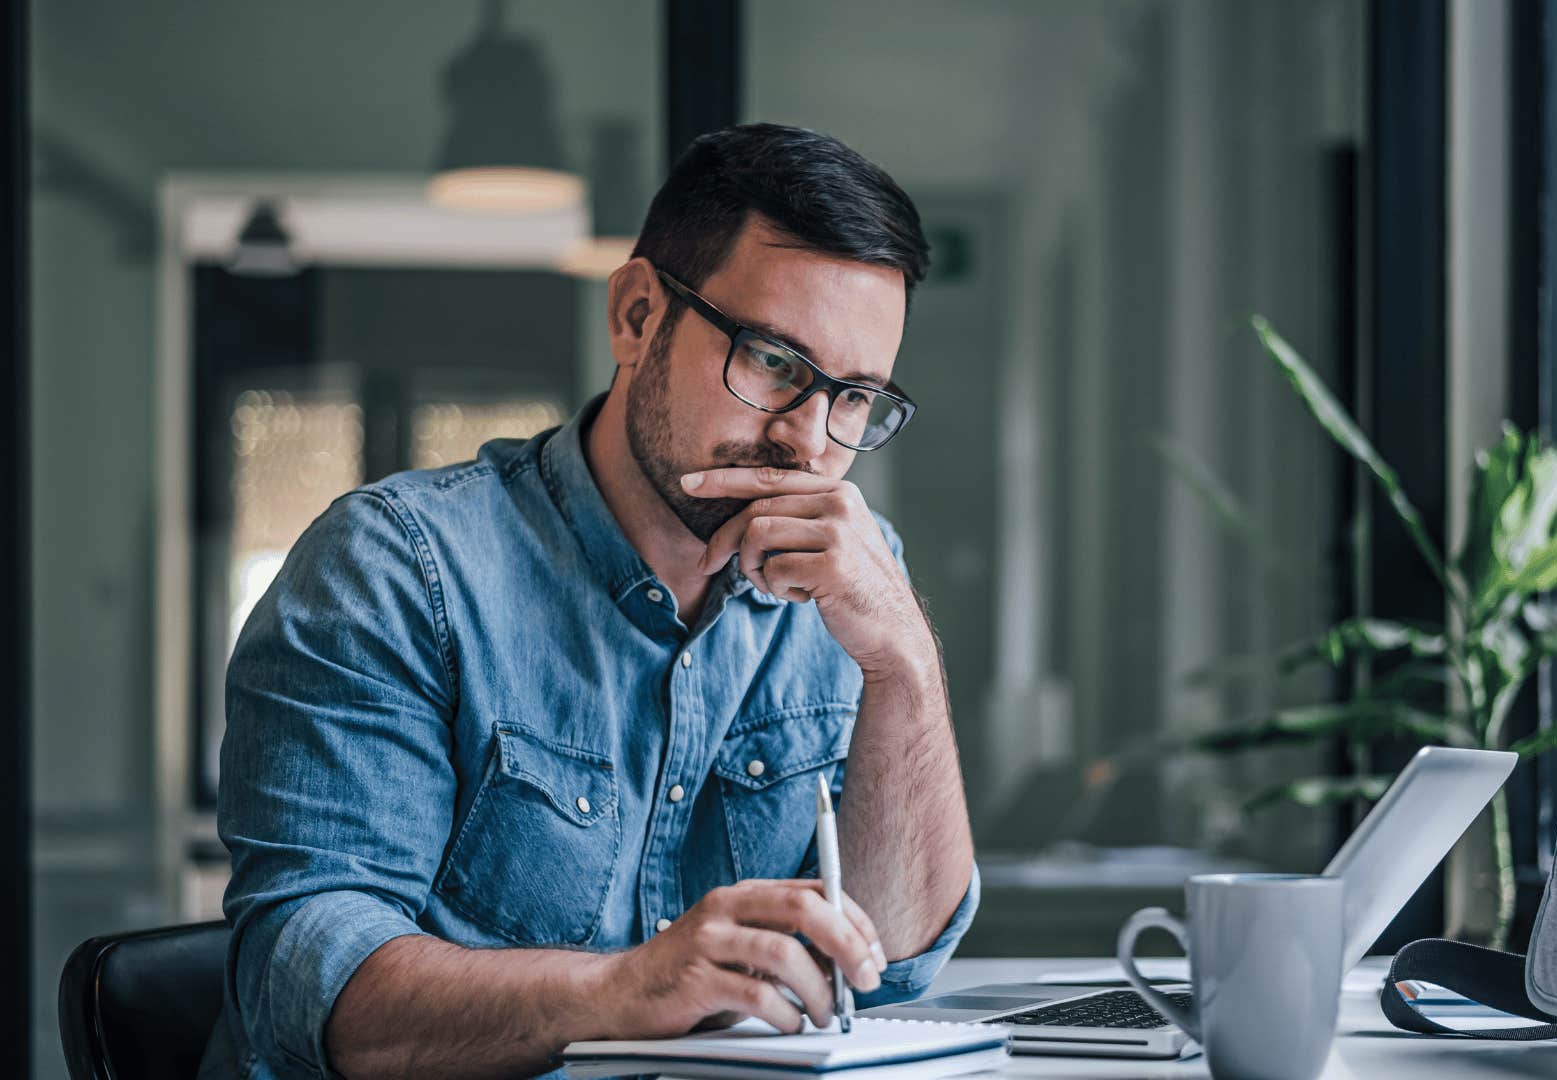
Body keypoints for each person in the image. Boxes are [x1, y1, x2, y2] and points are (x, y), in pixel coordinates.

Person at [201, 124, 977, 1080]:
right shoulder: (393, 569)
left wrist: (902, 658)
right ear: (638, 315)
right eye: (774, 360)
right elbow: (309, 987)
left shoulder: (854, 575)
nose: (810, 441)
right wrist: (623, 992)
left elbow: (896, 964)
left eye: (854, 396)